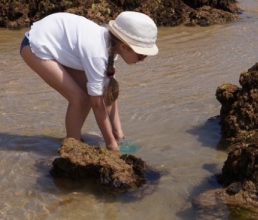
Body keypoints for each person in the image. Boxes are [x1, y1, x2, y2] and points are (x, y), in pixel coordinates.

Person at [20, 11, 158, 151]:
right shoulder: (97, 54)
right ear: (123, 46)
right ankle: (73, 147)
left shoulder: (110, 47)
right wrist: (111, 144)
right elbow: (97, 104)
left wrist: (118, 135)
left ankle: (74, 140)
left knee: (88, 93)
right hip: (35, 45)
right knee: (79, 99)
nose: (143, 58)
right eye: (142, 54)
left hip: (61, 46)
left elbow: (109, 95)